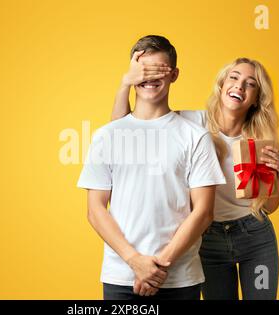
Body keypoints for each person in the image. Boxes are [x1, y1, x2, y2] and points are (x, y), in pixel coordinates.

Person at [111, 55, 279, 300]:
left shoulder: (261, 140)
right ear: (222, 85)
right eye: (234, 78)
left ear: (257, 98)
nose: (239, 86)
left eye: (251, 83)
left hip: (255, 237)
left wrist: (277, 179)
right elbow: (122, 131)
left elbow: (269, 206)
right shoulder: (191, 123)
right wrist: (125, 85)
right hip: (207, 240)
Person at [77, 35, 226, 300]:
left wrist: (158, 267)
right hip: (121, 276)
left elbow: (203, 212)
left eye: (158, 70)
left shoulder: (195, 136)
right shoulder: (106, 136)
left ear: (174, 75)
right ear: (132, 75)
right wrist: (135, 261)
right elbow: (95, 209)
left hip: (180, 278)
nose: (149, 77)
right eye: (143, 71)